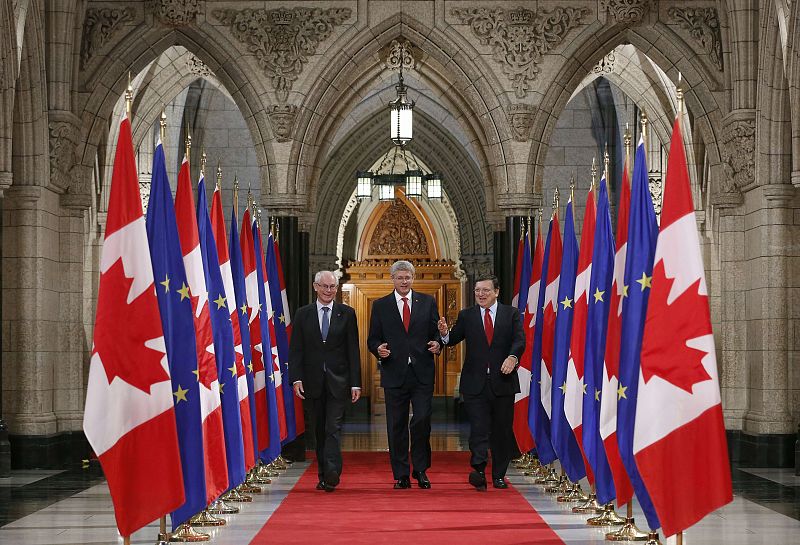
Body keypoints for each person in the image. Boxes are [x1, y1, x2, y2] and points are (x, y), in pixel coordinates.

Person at [439, 274, 525, 491]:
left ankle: (498, 475)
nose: (481, 294)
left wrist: (513, 357)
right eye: (477, 290)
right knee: (478, 428)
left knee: (501, 430)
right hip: (475, 383)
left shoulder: (511, 314)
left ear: (496, 292)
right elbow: (453, 338)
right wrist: (444, 334)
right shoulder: (467, 315)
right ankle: (478, 470)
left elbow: (519, 340)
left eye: (486, 290)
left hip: (503, 383)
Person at [367, 260, 442, 489]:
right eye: (399, 278)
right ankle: (400, 474)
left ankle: (420, 470)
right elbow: (373, 339)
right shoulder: (380, 305)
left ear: (413, 277)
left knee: (421, 421)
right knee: (396, 425)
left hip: (422, 373)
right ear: (393, 279)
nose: (404, 281)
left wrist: (437, 344)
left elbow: (436, 333)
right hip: (394, 373)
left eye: (407, 277)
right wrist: (377, 349)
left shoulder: (427, 302)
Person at [290, 271, 361, 492]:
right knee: (319, 430)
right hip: (311, 383)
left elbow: (353, 351)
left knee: (333, 427)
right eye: (325, 286)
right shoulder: (303, 314)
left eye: (332, 287)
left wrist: (355, 383)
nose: (329, 291)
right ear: (315, 287)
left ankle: (332, 471)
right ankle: (323, 474)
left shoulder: (347, 314)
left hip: (338, 382)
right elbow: (296, 350)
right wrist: (296, 379)